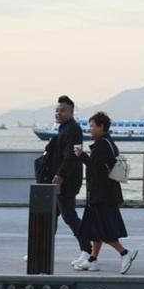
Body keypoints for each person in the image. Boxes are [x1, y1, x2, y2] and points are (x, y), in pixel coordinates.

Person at [72, 111, 137, 273]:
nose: (90, 129)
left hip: (101, 194)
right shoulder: (108, 142)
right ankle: (92, 260)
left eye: (93, 126)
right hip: (104, 193)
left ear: (101, 126)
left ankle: (125, 253)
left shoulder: (102, 144)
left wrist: (81, 156)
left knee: (104, 229)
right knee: (95, 229)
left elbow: (96, 168)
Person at [40, 94, 91, 268]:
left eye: (62, 110)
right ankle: (42, 249)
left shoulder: (73, 129)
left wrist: (60, 175)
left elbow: (71, 156)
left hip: (68, 180)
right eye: (57, 110)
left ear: (71, 111)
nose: (58, 113)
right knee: (51, 215)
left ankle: (87, 250)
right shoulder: (63, 128)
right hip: (60, 179)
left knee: (69, 216)